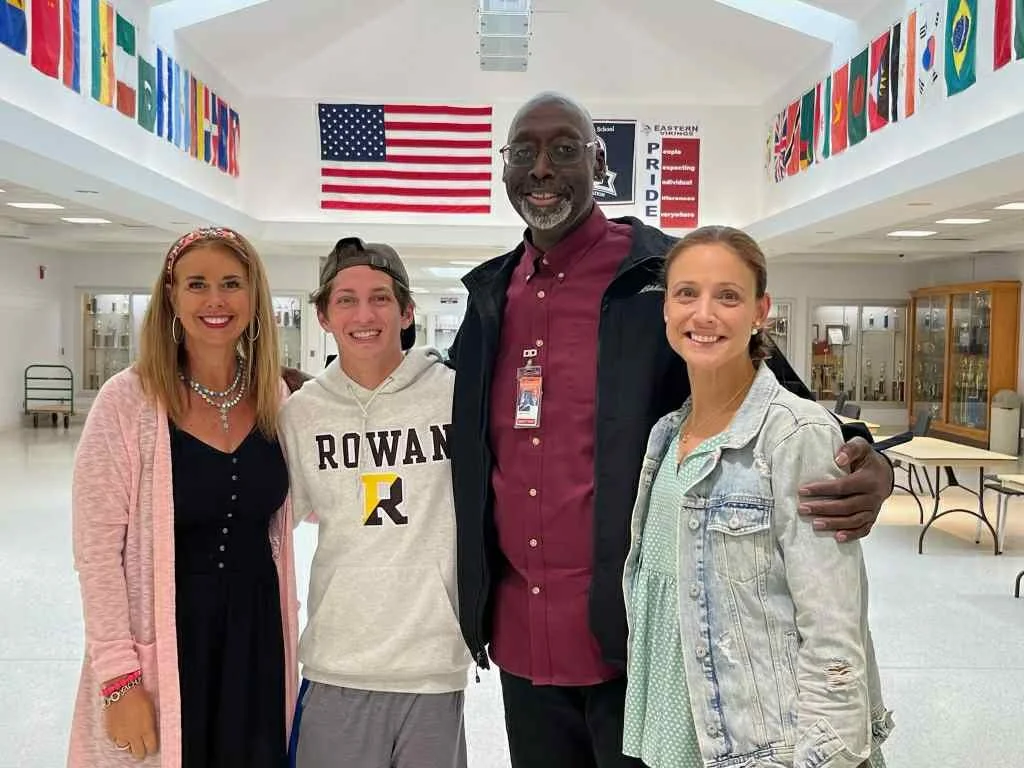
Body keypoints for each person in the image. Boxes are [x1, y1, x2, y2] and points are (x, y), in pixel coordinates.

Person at [447, 92, 895, 768]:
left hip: (638, 642)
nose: (542, 168)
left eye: (564, 149)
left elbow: (775, 388)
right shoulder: (490, 299)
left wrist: (868, 458)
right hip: (521, 638)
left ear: (599, 161)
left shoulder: (660, 274)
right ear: (503, 167)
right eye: (524, 152)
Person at [621, 225, 892, 768]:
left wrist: (830, 756)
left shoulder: (796, 434)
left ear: (760, 310)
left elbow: (834, 625)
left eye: (728, 295)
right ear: (665, 310)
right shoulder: (665, 436)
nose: (704, 314)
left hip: (772, 742)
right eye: (686, 293)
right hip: (683, 727)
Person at [68, 227, 300, 767]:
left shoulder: (275, 398)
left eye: (231, 284)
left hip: (257, 639)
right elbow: (97, 554)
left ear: (254, 297)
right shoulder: (128, 401)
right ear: (171, 296)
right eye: (197, 284)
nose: (215, 300)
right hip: (168, 642)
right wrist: (118, 680)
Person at [280, 237, 471, 768]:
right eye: (345, 299)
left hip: (432, 662)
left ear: (408, 310)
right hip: (337, 663)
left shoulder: (456, 395)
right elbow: (272, 524)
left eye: (381, 298)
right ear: (323, 315)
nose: (364, 314)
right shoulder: (301, 413)